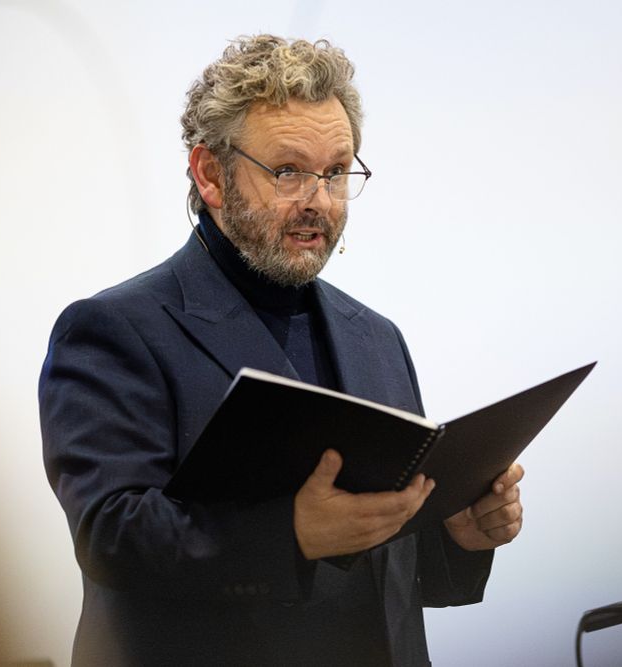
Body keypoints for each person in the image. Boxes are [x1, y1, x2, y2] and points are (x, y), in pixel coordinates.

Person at [39, 35, 524, 666]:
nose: (318, 201)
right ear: (210, 174)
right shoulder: (115, 330)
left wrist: (457, 535)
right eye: (289, 171)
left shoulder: (376, 338)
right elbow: (112, 534)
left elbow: (389, 567)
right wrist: (288, 534)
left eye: (336, 171)